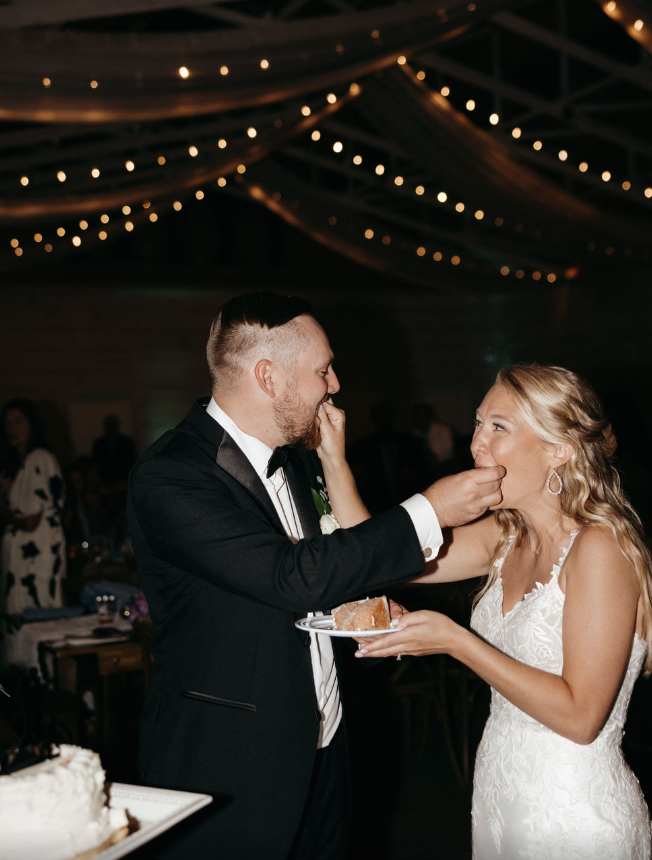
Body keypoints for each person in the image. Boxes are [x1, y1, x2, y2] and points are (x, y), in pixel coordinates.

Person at [127, 292, 505, 860]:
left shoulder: (303, 460)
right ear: (268, 377)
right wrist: (429, 509)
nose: (334, 384)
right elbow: (291, 577)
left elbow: (329, 573)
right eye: (323, 370)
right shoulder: (171, 476)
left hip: (325, 748)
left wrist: (364, 613)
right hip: (228, 767)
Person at [319, 363, 652, 859]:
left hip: (574, 814)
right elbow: (376, 555)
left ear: (557, 449)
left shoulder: (600, 549)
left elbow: (582, 717)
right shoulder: (504, 535)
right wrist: (333, 459)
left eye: (499, 427)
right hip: (501, 791)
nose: (477, 443)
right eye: (478, 423)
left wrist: (455, 640)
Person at [0, 399, 66, 619]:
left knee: (37, 625)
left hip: (34, 562)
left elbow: (29, 521)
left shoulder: (39, 459)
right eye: (8, 423)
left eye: (19, 421)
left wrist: (4, 511)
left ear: (32, 425)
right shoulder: (21, 466)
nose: (12, 429)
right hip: (24, 562)